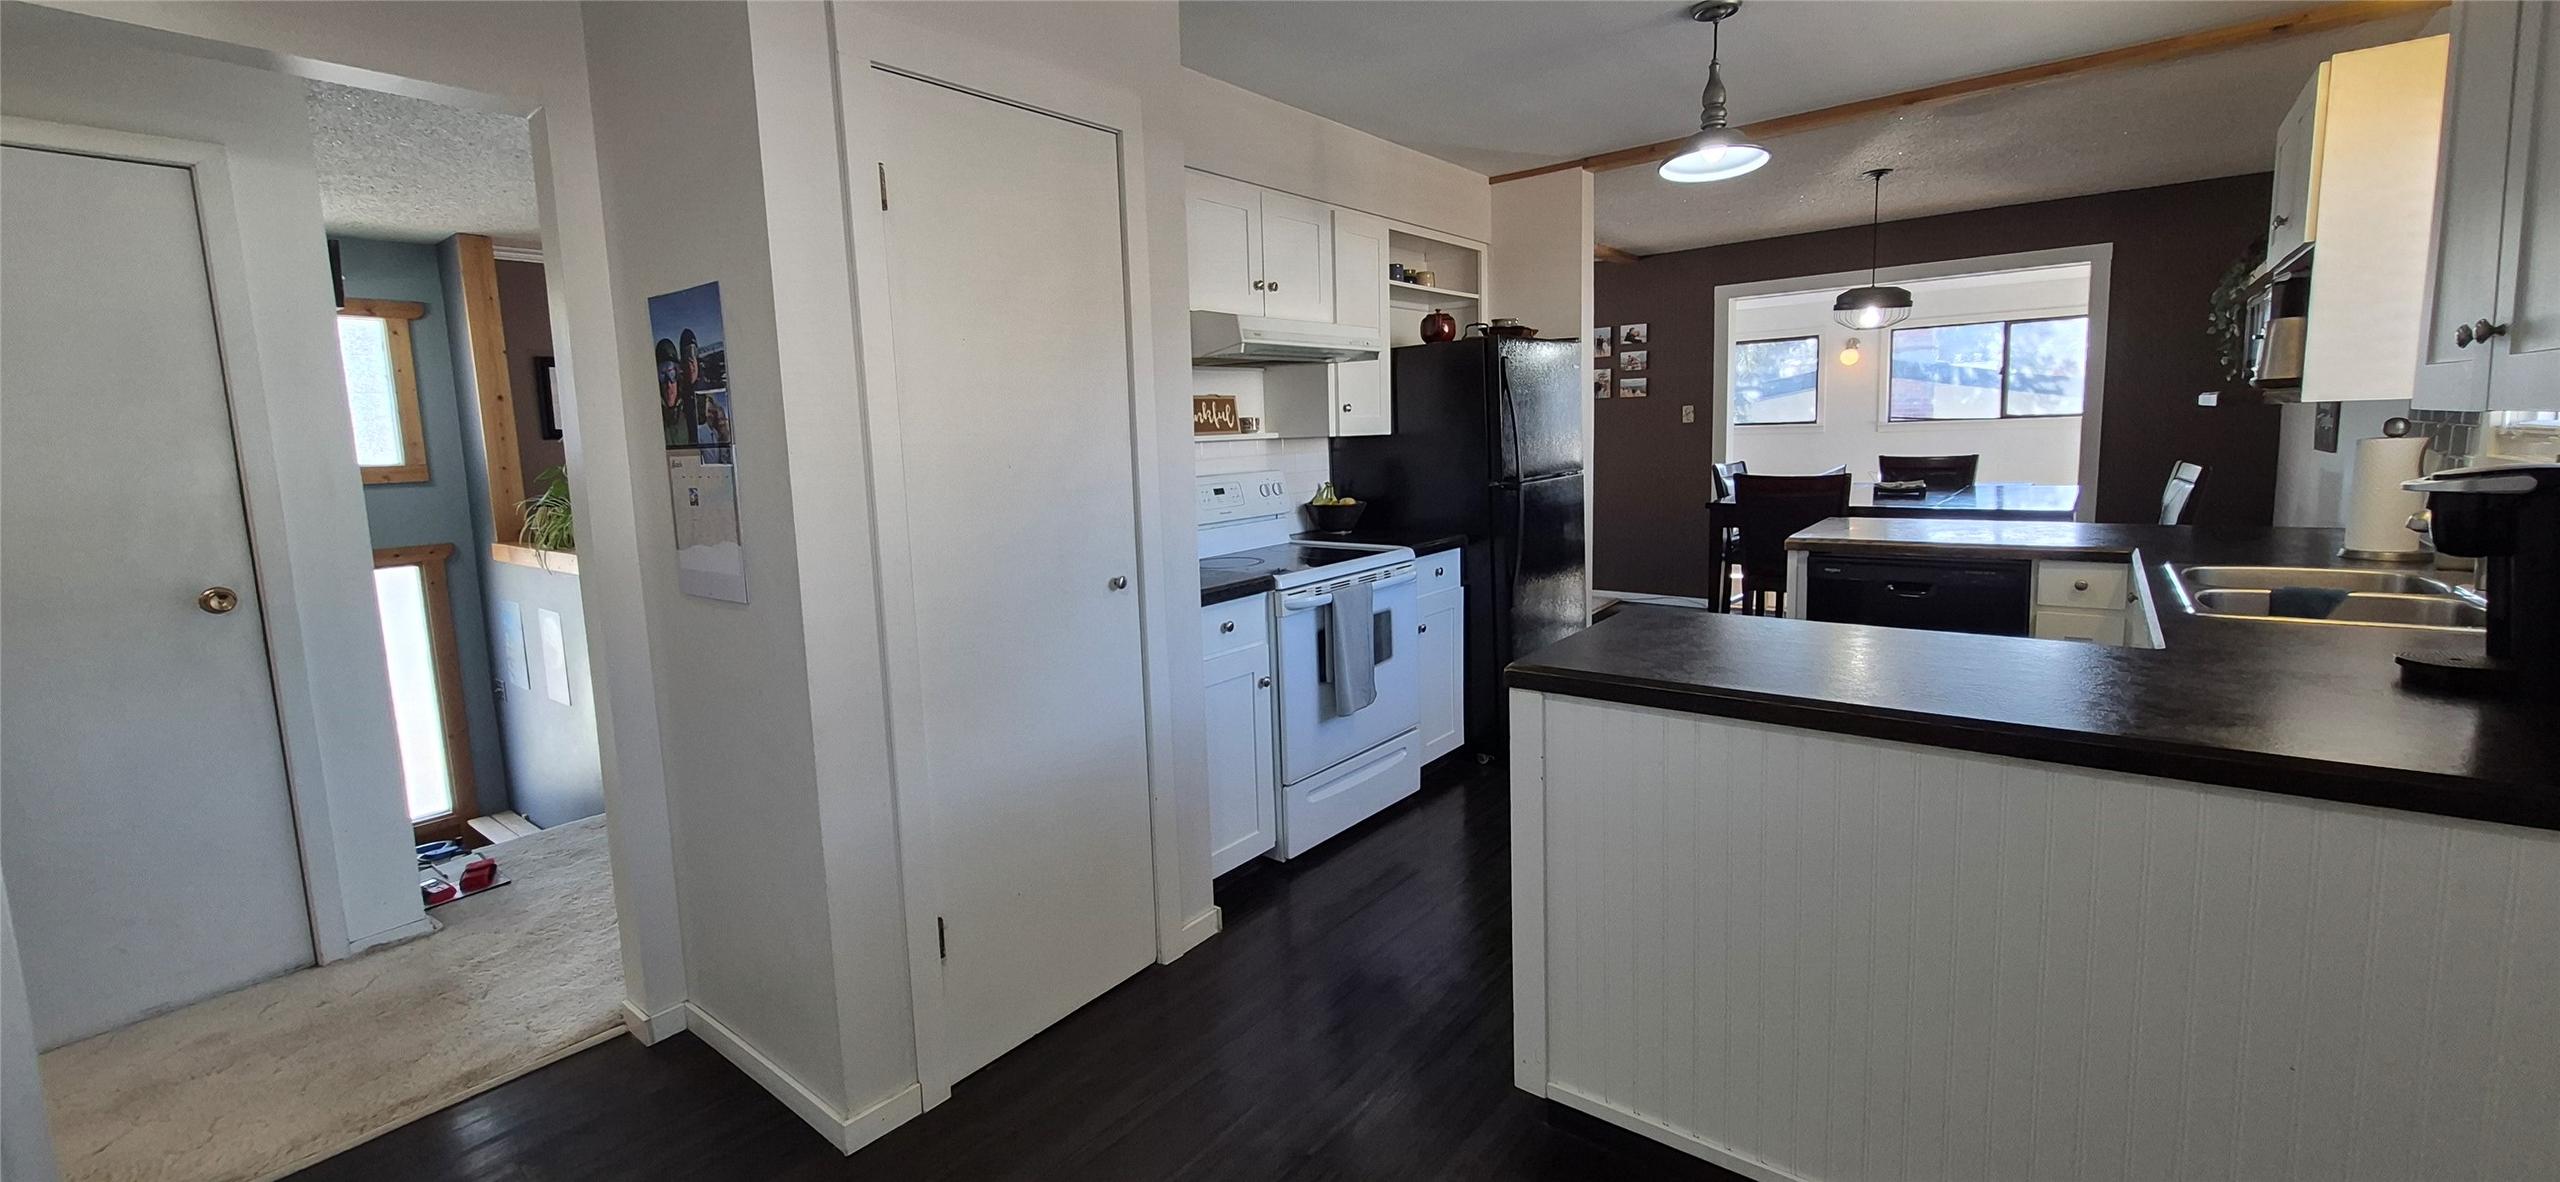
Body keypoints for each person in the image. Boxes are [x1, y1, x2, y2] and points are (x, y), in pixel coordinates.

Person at [656, 337, 691, 447]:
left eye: (672, 373)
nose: (668, 384)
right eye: (662, 374)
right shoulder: (651, 416)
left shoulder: (691, 410)